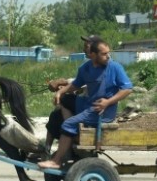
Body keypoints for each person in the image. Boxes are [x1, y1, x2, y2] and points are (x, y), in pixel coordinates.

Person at [38, 39, 133, 169]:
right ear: (93, 55)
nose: (108, 56)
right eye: (104, 54)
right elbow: (76, 84)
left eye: (108, 53)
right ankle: (64, 135)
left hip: (100, 110)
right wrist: (60, 93)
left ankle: (57, 160)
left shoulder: (114, 67)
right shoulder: (85, 68)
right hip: (87, 104)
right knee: (65, 100)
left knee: (67, 124)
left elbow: (127, 89)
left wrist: (108, 102)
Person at [43, 35, 103, 153]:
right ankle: (46, 149)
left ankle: (74, 131)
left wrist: (63, 84)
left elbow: (85, 83)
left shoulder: (101, 64)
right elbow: (79, 83)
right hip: (86, 103)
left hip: (93, 106)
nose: (83, 49)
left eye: (86, 46)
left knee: (63, 100)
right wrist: (63, 85)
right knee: (55, 115)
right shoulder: (89, 64)